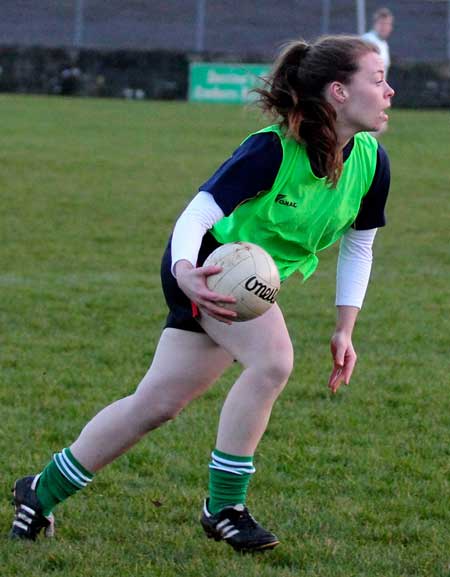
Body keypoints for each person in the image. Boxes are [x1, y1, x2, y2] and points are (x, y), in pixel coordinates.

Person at [10, 35, 394, 552]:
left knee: (157, 403)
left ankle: (40, 489)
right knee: (274, 362)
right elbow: (199, 212)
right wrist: (187, 269)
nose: (390, 91)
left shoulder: (371, 163)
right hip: (209, 265)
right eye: (377, 79)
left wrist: (345, 327)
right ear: (338, 92)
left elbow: (359, 247)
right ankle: (224, 507)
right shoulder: (270, 148)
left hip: (241, 281)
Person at [362, 7, 394, 79]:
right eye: (382, 24)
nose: (385, 27)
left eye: (387, 24)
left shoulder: (384, 44)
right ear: (374, 24)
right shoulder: (367, 40)